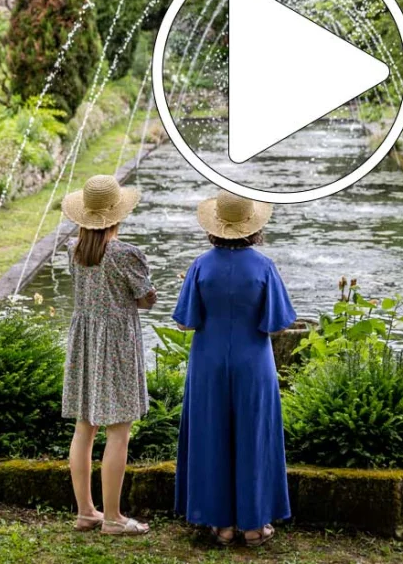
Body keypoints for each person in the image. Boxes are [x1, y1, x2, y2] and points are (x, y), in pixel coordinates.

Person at [173, 190, 296, 547]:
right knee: (253, 435)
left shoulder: (200, 265)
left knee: (210, 433)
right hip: (252, 361)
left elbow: (185, 323)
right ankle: (254, 525)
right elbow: (277, 324)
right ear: (253, 228)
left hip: (208, 361)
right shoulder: (264, 266)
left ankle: (220, 525)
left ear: (214, 227)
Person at [61, 174, 157, 536]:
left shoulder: (73, 250)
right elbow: (146, 298)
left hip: (84, 342)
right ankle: (114, 518)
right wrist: (147, 295)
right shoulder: (126, 254)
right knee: (119, 429)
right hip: (116, 343)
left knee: (85, 426)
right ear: (117, 215)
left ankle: (87, 511)